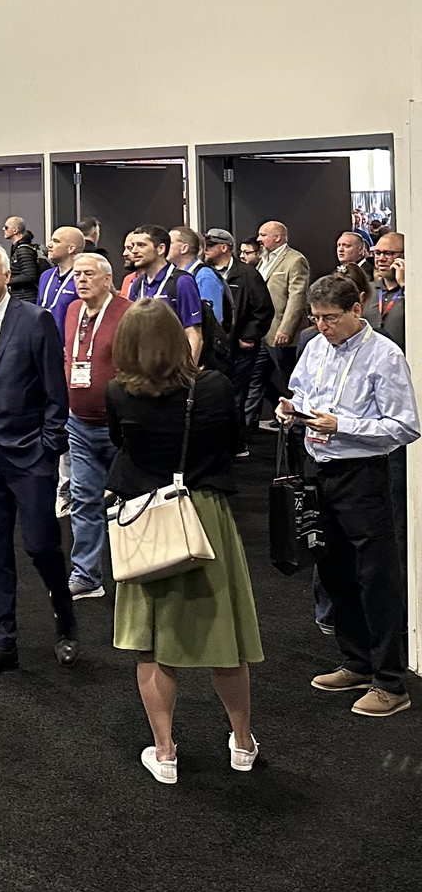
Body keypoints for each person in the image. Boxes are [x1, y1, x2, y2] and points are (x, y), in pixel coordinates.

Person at [105, 301, 263, 782]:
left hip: (146, 521)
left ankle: (165, 751)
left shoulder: (118, 393)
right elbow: (233, 445)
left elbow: (121, 446)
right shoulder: (214, 387)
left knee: (151, 645)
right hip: (205, 517)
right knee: (226, 639)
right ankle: (241, 742)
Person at [278, 274, 419, 717]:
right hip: (319, 469)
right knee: (333, 568)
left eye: (331, 318)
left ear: (357, 309)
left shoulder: (385, 356)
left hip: (362, 474)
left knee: (376, 576)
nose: (322, 326)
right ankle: (356, 661)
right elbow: (301, 389)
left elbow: (405, 426)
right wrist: (291, 410)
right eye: (316, 318)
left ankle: (390, 681)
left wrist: (344, 426)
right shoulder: (315, 346)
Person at [0, 242, 78, 676]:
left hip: (30, 455)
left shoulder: (35, 320)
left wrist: (48, 445)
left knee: (41, 545)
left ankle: (66, 621)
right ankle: (1, 642)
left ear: (7, 276)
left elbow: (54, 391)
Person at [61, 253, 124, 601]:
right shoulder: (72, 311)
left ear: (106, 278)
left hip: (120, 425)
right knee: (83, 499)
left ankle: (138, 570)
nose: (80, 280)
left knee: (132, 500)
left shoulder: (126, 312)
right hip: (79, 422)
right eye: (77, 275)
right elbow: (69, 357)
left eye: (88, 274)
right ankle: (87, 575)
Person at [202, 228, 275, 435]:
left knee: (237, 394)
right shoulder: (204, 273)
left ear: (224, 248)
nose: (205, 250)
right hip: (215, 347)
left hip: (240, 346)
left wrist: (249, 336)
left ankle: (238, 440)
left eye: (210, 246)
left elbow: (263, 308)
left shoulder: (247, 274)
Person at [123, 225, 204, 362]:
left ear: (160, 249)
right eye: (132, 246)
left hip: (172, 367)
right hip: (143, 365)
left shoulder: (182, 282)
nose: (134, 251)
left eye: (141, 245)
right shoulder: (137, 284)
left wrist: (189, 375)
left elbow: (194, 334)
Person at [257, 220, 312, 416]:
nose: (259, 239)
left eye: (263, 235)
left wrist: (286, 328)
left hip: (282, 335)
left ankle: (298, 425)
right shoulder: (263, 260)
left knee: (290, 381)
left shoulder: (295, 260)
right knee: (257, 381)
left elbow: (297, 297)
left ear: (277, 237)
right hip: (262, 332)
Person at [169, 225, 226, 328]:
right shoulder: (174, 276)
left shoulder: (204, 277)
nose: (165, 246)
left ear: (184, 248)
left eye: (170, 243)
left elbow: (211, 321)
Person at [35, 226, 84, 330]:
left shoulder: (82, 278)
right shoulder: (46, 276)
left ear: (71, 248)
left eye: (56, 241)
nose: (49, 245)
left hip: (67, 342)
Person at [366, 230, 404, 350]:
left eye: (388, 253)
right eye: (377, 253)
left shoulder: (413, 292)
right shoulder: (367, 290)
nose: (381, 259)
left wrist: (404, 285)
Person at [2, 216, 43, 303]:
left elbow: (29, 275)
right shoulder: (19, 248)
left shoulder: (23, 250)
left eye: (6, 227)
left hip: (26, 297)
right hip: (22, 296)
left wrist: (7, 281)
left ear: (15, 230)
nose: (3, 229)